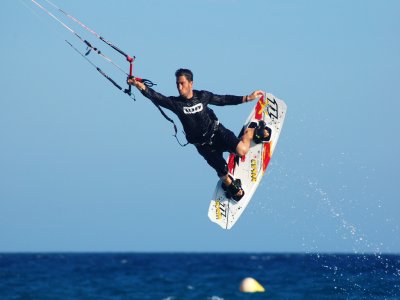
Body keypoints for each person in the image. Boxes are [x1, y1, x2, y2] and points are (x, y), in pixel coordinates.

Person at [128, 69, 269, 201]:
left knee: (242, 151)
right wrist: (138, 84)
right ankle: (230, 184)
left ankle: (251, 132)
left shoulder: (203, 96)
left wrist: (247, 98)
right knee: (222, 172)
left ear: (191, 83)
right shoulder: (176, 103)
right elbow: (156, 97)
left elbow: (223, 100)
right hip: (204, 147)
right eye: (177, 84)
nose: (179, 87)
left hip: (218, 133)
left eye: (182, 83)